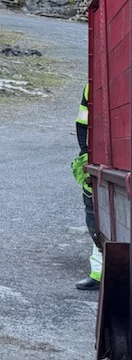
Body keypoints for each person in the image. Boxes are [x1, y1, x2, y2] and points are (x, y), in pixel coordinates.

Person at [75, 83, 100, 290]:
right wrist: (85, 153)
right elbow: (83, 121)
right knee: (95, 215)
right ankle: (99, 272)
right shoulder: (92, 85)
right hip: (97, 156)